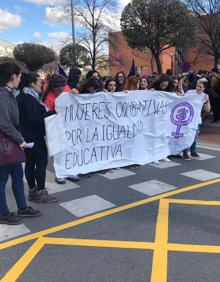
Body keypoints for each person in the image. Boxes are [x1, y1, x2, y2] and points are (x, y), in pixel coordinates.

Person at [0, 62, 41, 225]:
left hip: (11, 139)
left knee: (17, 175)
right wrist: (19, 139)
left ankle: (22, 207)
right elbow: (3, 122)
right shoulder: (2, 94)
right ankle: (3, 212)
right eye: (18, 76)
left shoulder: (9, 93)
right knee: (2, 180)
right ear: (12, 77)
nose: (20, 79)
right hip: (6, 141)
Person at [17, 72, 57, 203]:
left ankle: (32, 191)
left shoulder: (25, 96)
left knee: (31, 163)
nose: (42, 84)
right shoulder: (29, 98)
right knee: (41, 163)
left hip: (27, 136)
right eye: (40, 82)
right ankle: (41, 192)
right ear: (32, 84)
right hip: (34, 136)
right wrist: (52, 113)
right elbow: (34, 120)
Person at [42, 74, 80, 184]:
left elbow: (77, 101)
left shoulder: (67, 88)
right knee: (59, 151)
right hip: (57, 127)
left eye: (62, 89)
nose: (60, 91)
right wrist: (54, 112)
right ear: (53, 87)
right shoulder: (48, 98)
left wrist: (76, 93)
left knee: (71, 149)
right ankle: (60, 173)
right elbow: (46, 116)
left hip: (70, 126)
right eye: (57, 90)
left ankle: (71, 171)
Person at [182, 80, 211, 160]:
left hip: (197, 119)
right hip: (187, 118)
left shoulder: (204, 96)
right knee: (187, 135)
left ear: (204, 88)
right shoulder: (190, 92)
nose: (198, 88)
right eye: (197, 86)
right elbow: (181, 99)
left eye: (200, 87)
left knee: (194, 136)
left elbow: (207, 110)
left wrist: (207, 100)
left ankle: (193, 151)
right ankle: (185, 152)